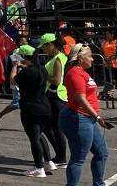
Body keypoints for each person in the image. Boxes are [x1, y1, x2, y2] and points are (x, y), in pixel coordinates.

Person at [59, 44, 109, 186]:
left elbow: (87, 95)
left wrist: (101, 94)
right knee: (78, 158)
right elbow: (80, 100)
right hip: (78, 117)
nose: (92, 59)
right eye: (90, 56)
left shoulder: (82, 72)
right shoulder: (75, 73)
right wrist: (98, 117)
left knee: (102, 153)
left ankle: (98, 184)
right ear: (80, 58)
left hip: (87, 117)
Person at [12, 45, 54, 177]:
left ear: (25, 57)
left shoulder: (27, 72)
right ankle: (48, 161)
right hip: (44, 106)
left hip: (31, 108)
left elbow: (13, 81)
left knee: (34, 137)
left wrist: (14, 67)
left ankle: (38, 167)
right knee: (39, 134)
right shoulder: (42, 69)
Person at [39, 33, 68, 167]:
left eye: (44, 47)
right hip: (53, 95)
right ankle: (60, 155)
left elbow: (56, 80)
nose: (43, 50)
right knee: (50, 127)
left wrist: (43, 75)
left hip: (56, 95)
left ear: (50, 45)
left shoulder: (58, 59)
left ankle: (61, 157)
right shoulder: (57, 57)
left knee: (55, 128)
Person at [0, 36, 28, 130]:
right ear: (19, 42)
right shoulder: (16, 51)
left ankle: (31, 124)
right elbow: (17, 64)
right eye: (24, 41)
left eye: (27, 41)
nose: (26, 42)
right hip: (17, 79)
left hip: (27, 78)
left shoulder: (29, 50)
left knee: (28, 103)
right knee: (16, 104)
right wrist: (26, 64)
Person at [101, 30, 117, 99]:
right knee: (108, 81)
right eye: (106, 34)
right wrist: (105, 58)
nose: (106, 36)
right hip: (108, 64)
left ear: (112, 34)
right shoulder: (104, 43)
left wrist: (111, 57)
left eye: (108, 34)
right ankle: (108, 95)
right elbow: (102, 52)